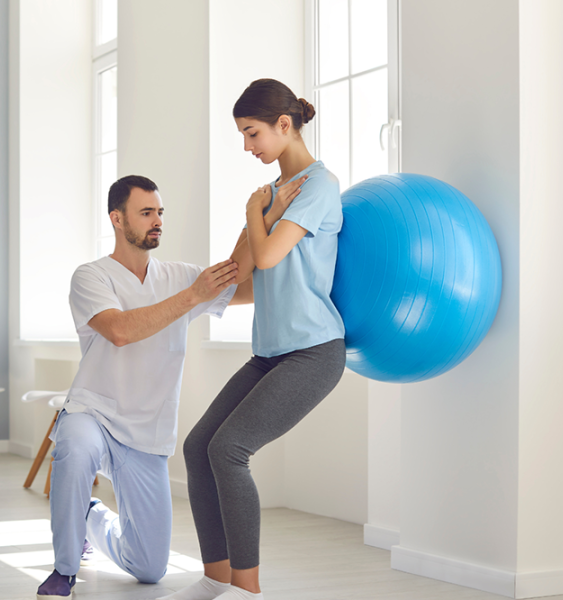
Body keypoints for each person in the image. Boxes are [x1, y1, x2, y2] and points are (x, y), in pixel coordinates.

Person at [161, 79, 347, 600]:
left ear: (284, 126)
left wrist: (253, 214)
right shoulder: (269, 195)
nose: (248, 146)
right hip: (270, 354)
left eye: (252, 133)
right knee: (199, 446)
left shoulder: (319, 185)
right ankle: (214, 580)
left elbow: (267, 257)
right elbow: (240, 271)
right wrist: (259, 214)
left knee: (229, 449)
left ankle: (246, 591)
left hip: (313, 351)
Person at [36, 175, 254, 600]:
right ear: (117, 219)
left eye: (159, 213)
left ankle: (91, 516)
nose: (157, 221)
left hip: (147, 431)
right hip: (92, 413)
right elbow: (119, 330)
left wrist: (255, 225)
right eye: (146, 213)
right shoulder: (91, 276)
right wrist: (193, 297)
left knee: (151, 569)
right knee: (76, 450)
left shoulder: (180, 276)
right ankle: (64, 571)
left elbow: (242, 283)